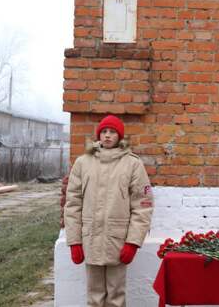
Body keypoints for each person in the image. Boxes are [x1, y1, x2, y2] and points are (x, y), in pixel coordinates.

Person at [64, 115, 154, 307]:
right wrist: (74, 241)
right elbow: (72, 203)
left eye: (112, 132)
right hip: (91, 239)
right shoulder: (83, 162)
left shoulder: (132, 164)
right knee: (94, 296)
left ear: (119, 136)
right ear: (98, 135)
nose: (107, 136)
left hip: (118, 241)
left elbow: (143, 205)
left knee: (116, 296)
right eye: (104, 131)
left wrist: (133, 242)